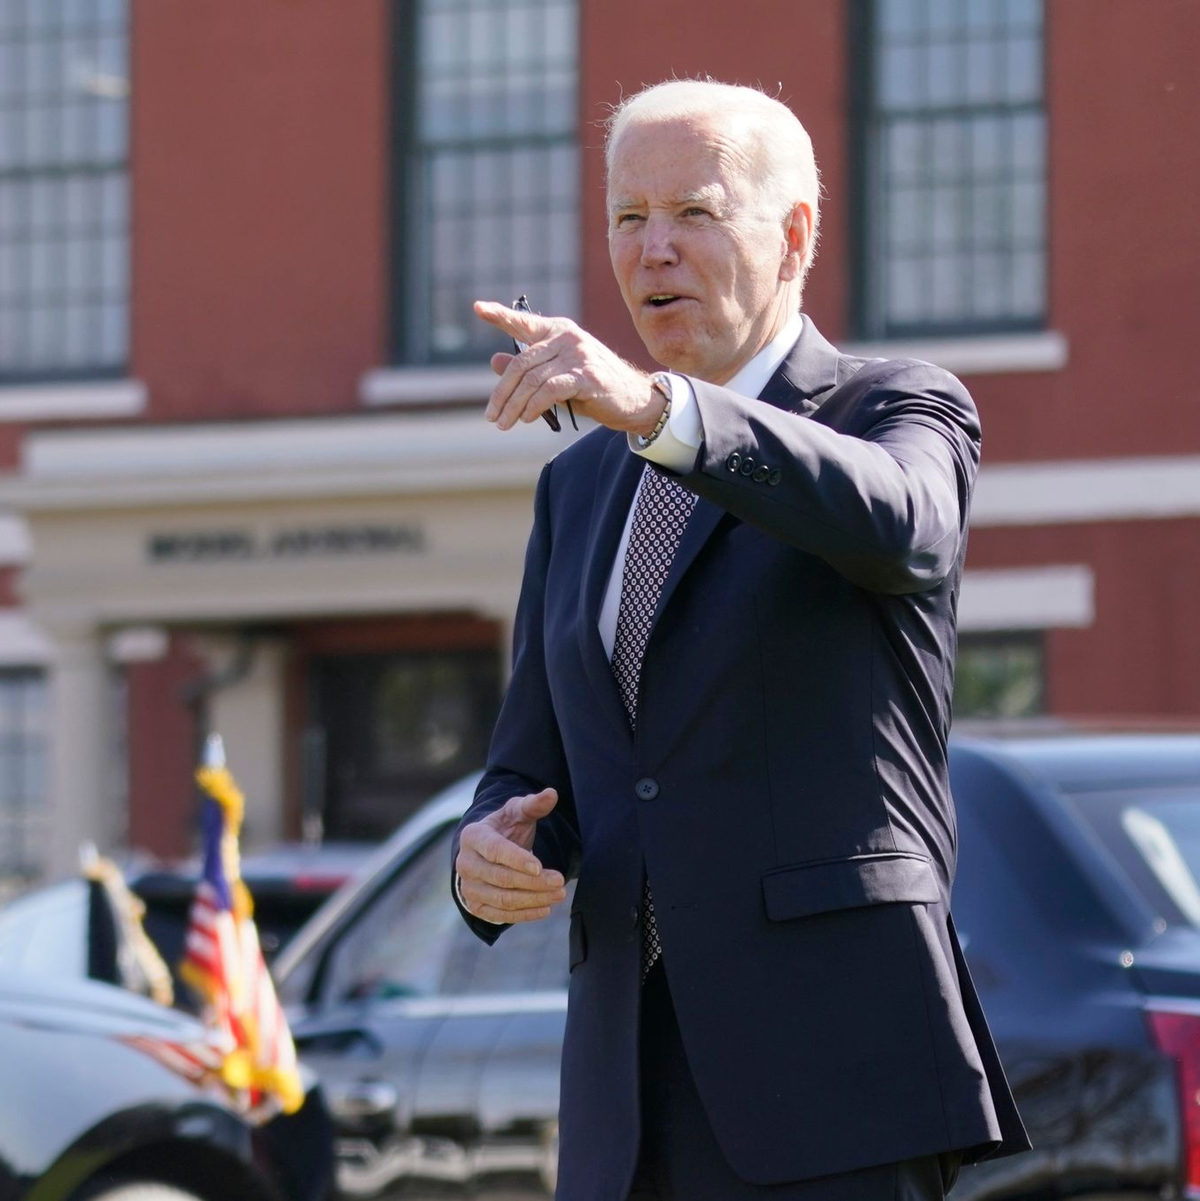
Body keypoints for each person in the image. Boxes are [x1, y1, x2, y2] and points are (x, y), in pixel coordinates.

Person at [451, 79, 1030, 1201]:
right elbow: (536, 768)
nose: (652, 250)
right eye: (628, 219)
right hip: (626, 1103)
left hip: (837, 1082)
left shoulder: (895, 407)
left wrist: (664, 413)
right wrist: (490, 854)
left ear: (794, 235)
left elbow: (905, 527)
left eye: (694, 214)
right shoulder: (576, 489)